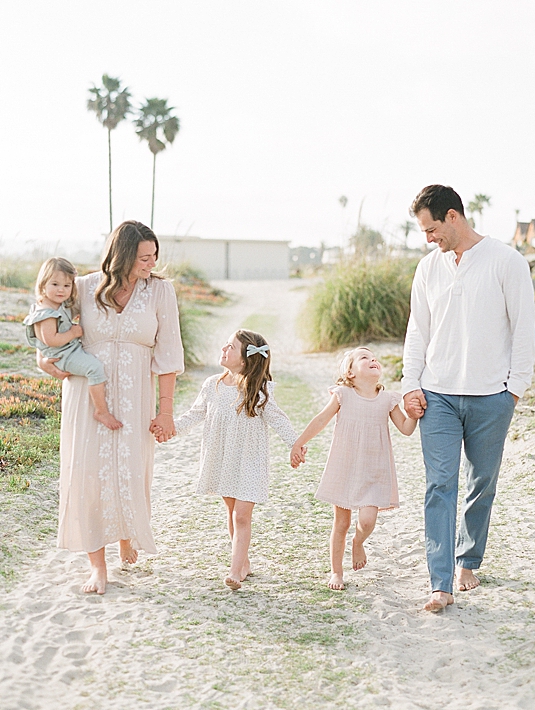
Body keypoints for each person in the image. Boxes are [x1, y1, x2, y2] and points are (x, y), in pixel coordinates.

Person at [400, 184, 535, 612]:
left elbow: (524, 328)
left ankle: (468, 559)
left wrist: (515, 389)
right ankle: (440, 582)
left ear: (454, 217)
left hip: (491, 396)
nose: (429, 238)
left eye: (432, 228)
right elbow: (417, 329)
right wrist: (410, 383)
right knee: (440, 484)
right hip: (436, 394)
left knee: (482, 483)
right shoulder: (428, 269)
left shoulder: (506, 261)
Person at [38, 220, 183, 595]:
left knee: (130, 470)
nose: (149, 264)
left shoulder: (160, 292)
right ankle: (97, 567)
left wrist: (164, 411)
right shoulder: (83, 288)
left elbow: (168, 356)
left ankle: (127, 534)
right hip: (87, 397)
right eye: (142, 258)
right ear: (120, 256)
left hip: (136, 397)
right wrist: (44, 358)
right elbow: (46, 320)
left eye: (153, 257)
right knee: (88, 475)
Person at [171, 330, 299, 590]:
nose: (223, 349)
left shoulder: (259, 390)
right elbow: (195, 414)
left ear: (244, 360)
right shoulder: (212, 385)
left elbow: (278, 418)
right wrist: (170, 428)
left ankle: (234, 571)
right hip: (223, 458)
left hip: (250, 460)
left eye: (230, 347)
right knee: (231, 512)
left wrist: (295, 445)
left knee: (242, 516)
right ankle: (243, 562)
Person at [291, 347, 415, 591]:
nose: (373, 360)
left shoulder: (388, 399)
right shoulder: (343, 395)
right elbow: (321, 419)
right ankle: (337, 572)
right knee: (341, 523)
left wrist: (414, 413)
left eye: (374, 357)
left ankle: (358, 543)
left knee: (367, 521)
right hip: (345, 466)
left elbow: (406, 428)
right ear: (350, 372)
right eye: (364, 357)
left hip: (374, 470)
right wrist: (299, 442)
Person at [24, 257, 122, 431]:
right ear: (42, 285)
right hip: (62, 355)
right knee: (95, 369)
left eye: (67, 286)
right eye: (55, 284)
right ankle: (101, 411)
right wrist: (72, 332)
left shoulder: (55, 305)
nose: (61, 290)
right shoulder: (46, 313)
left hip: (67, 350)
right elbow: (50, 340)